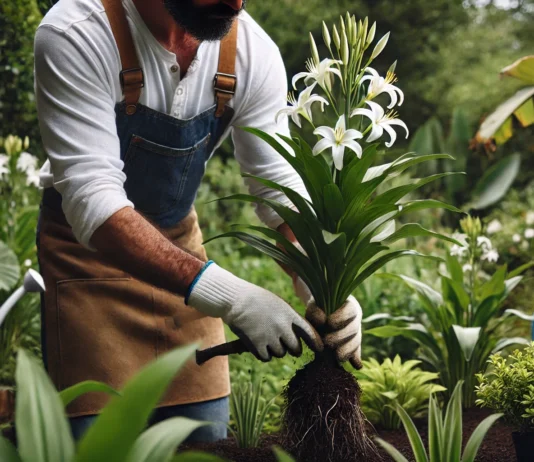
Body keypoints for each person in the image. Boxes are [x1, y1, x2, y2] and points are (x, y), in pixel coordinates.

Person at [34, 0, 363, 443]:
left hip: (182, 258)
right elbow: (94, 204)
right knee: (98, 443)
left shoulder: (249, 52)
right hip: (86, 263)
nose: (236, 4)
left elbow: (276, 189)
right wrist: (232, 298)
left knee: (203, 439)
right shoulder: (78, 32)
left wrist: (322, 283)